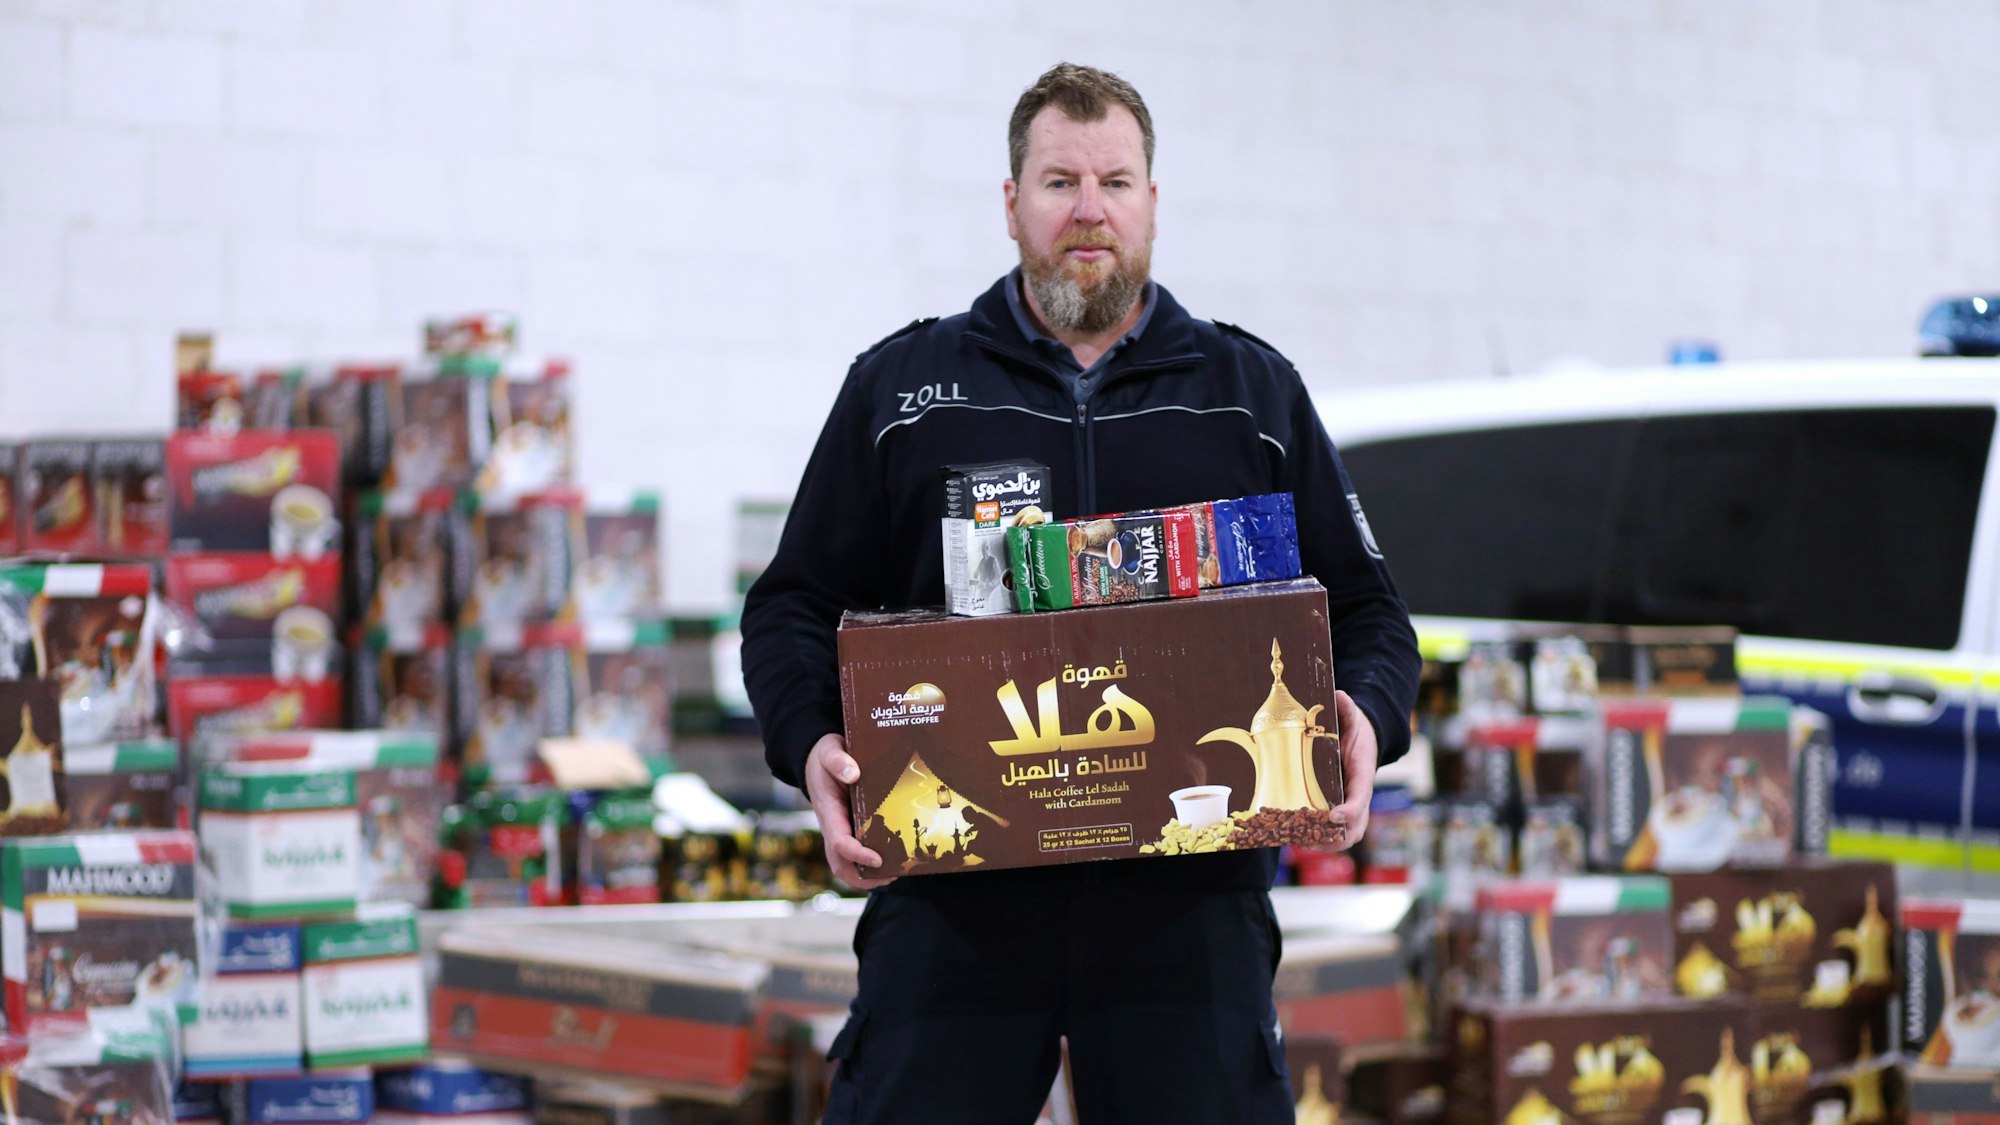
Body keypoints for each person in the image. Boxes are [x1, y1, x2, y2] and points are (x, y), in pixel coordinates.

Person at [742, 62, 1420, 1124]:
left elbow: (1371, 617)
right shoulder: (904, 394)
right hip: (954, 902)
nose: (1088, 210)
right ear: (1010, 203)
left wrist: (1367, 719)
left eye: (1115, 181)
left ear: (1153, 201)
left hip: (1185, 913)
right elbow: (788, 606)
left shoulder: (1247, 397)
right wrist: (810, 746)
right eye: (1059, 181)